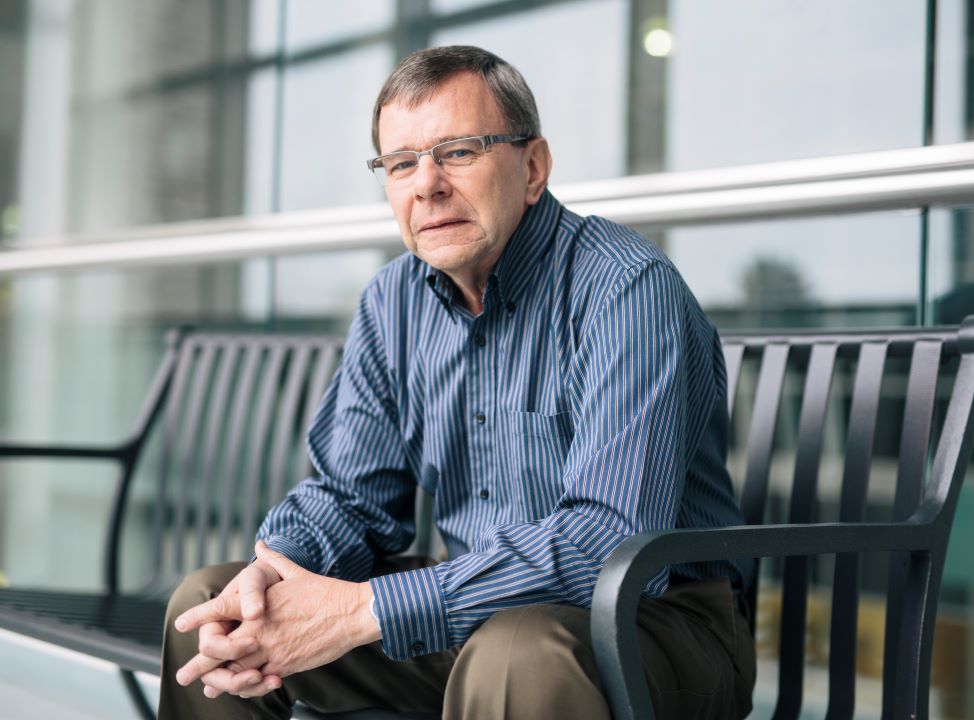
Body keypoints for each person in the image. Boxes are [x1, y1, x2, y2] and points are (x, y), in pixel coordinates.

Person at [159, 45, 755, 720]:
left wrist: (367, 610)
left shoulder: (624, 288)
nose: (427, 185)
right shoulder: (393, 302)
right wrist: (271, 573)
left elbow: (607, 542)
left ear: (533, 168)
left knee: (516, 652)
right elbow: (351, 498)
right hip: (474, 613)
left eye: (460, 152)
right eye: (401, 163)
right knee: (214, 609)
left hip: (655, 624)